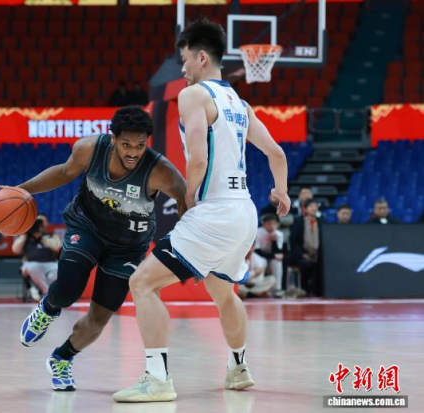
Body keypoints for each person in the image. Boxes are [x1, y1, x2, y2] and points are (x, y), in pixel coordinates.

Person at [113, 19, 290, 402]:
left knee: (142, 283)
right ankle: (238, 367)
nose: (183, 68)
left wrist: (188, 198)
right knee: (223, 292)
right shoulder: (240, 103)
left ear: (202, 57)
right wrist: (282, 191)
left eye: (185, 59)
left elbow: (197, 157)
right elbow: (276, 153)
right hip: (244, 213)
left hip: (215, 213)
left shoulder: (193, 95)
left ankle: (157, 379)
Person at [8, 106, 187, 391]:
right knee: (67, 290)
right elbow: (64, 172)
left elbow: (185, 197)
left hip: (128, 246)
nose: (133, 152)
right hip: (87, 227)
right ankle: (48, 309)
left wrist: (191, 242)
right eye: (126, 144)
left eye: (140, 145)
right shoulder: (90, 149)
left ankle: (62, 358)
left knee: (99, 319)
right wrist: (22, 190)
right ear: (113, 138)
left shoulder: (160, 170)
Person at [12, 214, 61, 301]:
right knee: (34, 267)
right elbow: (15, 250)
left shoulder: (51, 236)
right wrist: (26, 234)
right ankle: (48, 295)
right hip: (30, 264)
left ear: (46, 224)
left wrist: (41, 238)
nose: (40, 225)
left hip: (50, 263)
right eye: (38, 222)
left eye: (43, 222)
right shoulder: (25, 236)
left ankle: (40, 291)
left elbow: (57, 247)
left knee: (58, 270)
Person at [289, 199, 322, 297]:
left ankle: (318, 290)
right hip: (302, 253)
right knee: (305, 264)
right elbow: (293, 240)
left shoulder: (321, 221)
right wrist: (302, 254)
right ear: (305, 209)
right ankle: (305, 289)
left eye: (315, 206)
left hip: (318, 254)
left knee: (321, 264)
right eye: (311, 206)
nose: (314, 208)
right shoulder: (299, 221)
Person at [254, 214, 284, 294]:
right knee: (262, 261)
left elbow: (278, 251)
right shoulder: (258, 233)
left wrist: (274, 241)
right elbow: (257, 251)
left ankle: (277, 289)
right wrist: (273, 256)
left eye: (274, 223)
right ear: (264, 225)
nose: (272, 226)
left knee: (277, 263)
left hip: (271, 257)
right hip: (260, 256)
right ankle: (260, 288)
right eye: (269, 224)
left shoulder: (279, 234)